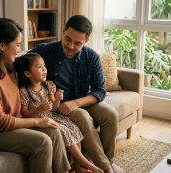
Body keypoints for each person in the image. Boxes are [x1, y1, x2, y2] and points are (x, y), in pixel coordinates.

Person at [0, 18, 70, 173]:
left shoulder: (7, 66)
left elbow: (30, 64)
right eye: (17, 44)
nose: (19, 49)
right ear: (2, 46)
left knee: (54, 131)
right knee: (42, 142)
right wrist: (36, 122)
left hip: (14, 123)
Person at [30, 15, 123, 173]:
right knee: (83, 117)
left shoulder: (91, 56)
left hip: (81, 100)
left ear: (86, 40)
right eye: (68, 39)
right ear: (63, 31)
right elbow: (21, 64)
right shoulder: (45, 51)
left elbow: (99, 90)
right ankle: (106, 169)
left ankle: (108, 161)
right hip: (57, 106)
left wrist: (76, 103)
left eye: (77, 43)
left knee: (110, 114)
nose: (71, 46)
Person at [14, 53, 103, 173]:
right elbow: (24, 114)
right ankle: (85, 162)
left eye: (44, 66)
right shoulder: (24, 91)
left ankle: (78, 166)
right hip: (38, 121)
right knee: (64, 131)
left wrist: (57, 99)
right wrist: (40, 109)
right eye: (39, 67)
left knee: (73, 127)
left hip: (51, 116)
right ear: (27, 73)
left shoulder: (47, 85)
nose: (44, 69)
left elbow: (54, 108)